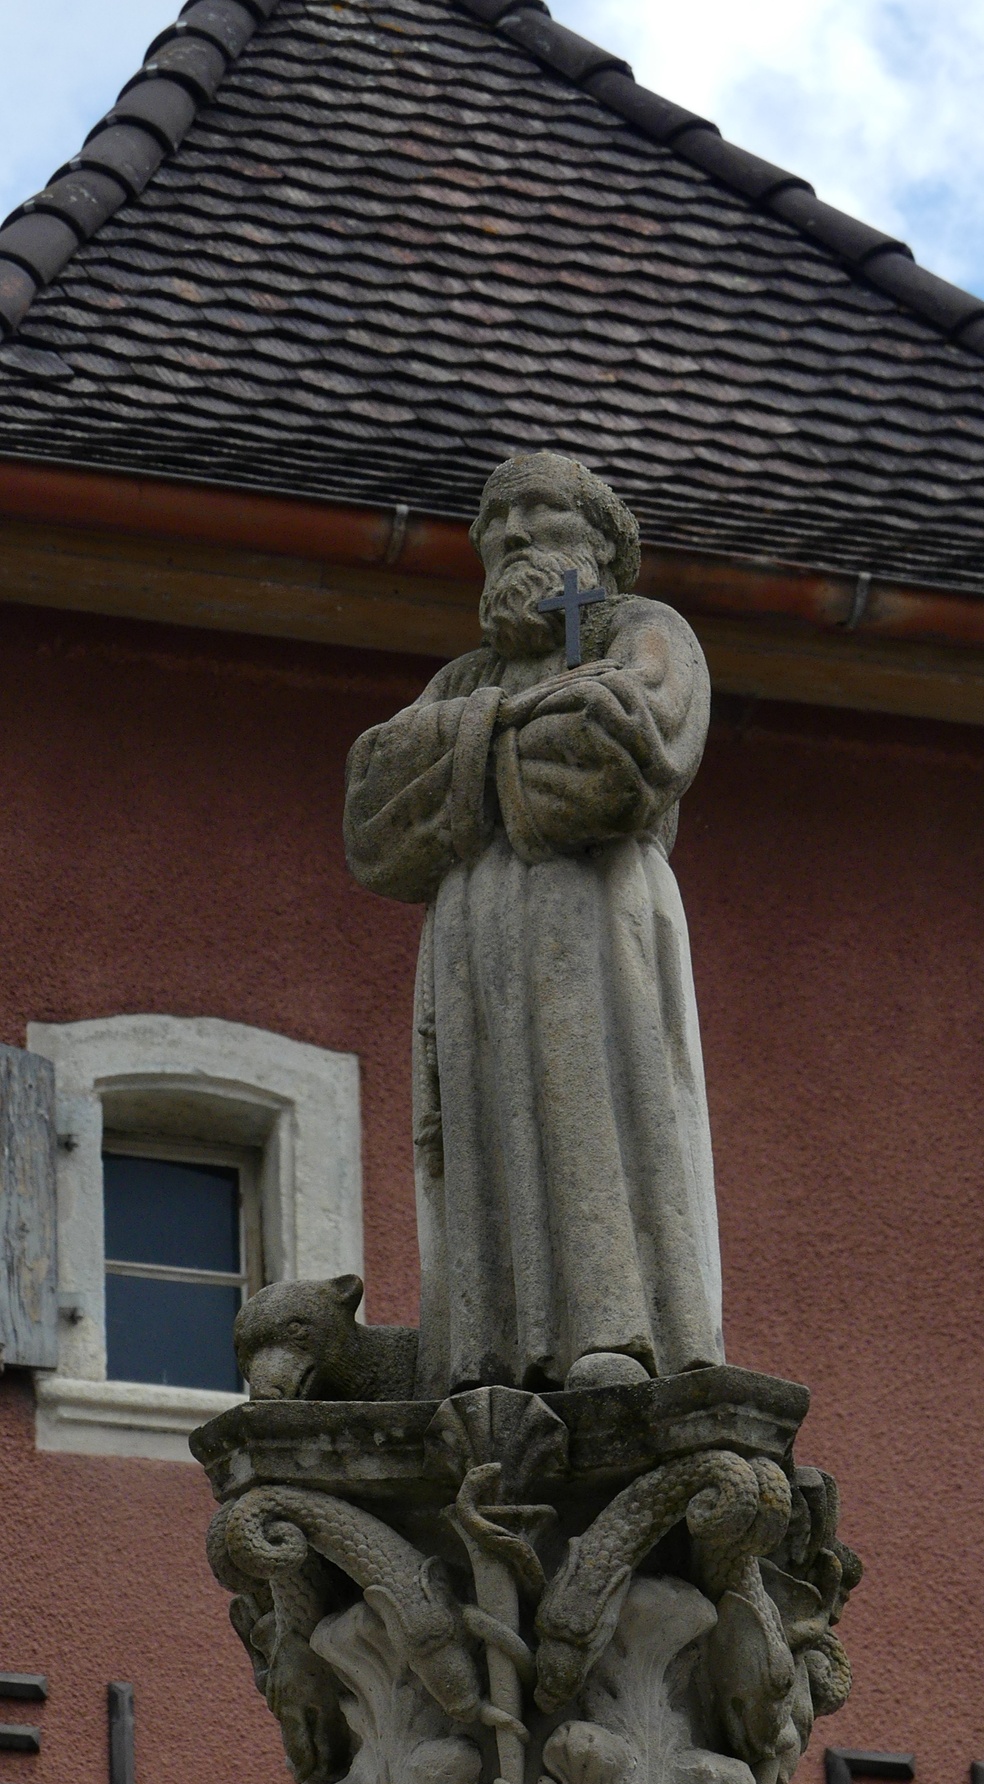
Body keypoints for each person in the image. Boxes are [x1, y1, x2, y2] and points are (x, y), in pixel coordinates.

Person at [344, 450, 725, 1394]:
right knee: (480, 1126)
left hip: (591, 910)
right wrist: (530, 725)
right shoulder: (464, 673)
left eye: (540, 512)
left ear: (598, 540)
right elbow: (374, 815)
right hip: (469, 930)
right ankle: (483, 1352)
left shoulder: (640, 629)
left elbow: (621, 753)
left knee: (593, 1102)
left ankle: (620, 1336)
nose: (511, 534)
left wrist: (460, 761)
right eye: (493, 520)